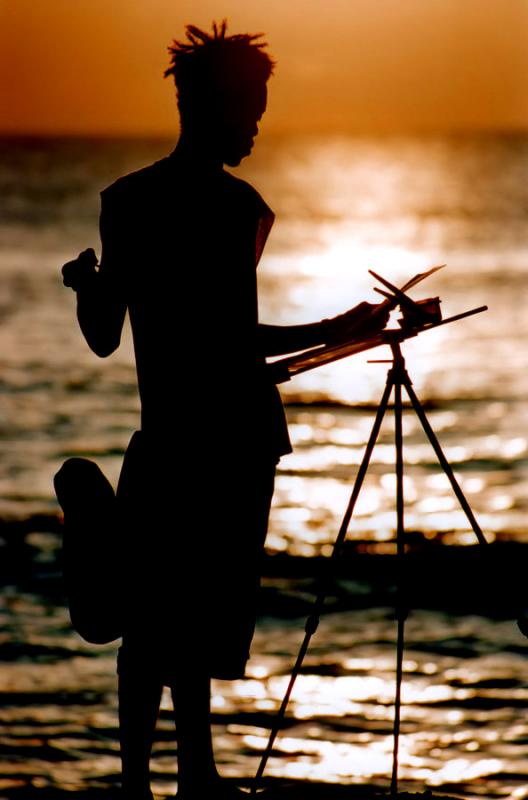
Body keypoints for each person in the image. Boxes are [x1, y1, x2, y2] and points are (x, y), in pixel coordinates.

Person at [60, 21, 389, 800]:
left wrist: (90, 289)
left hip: (177, 435)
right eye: (249, 105)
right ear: (208, 103)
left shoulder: (128, 203)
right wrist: (338, 328)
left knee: (161, 615)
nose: (256, 123)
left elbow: (109, 339)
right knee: (188, 613)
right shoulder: (239, 209)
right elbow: (229, 336)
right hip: (227, 442)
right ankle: (189, 777)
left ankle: (159, 780)